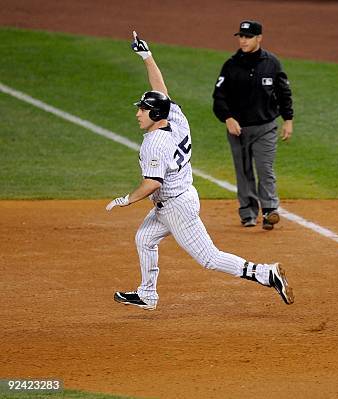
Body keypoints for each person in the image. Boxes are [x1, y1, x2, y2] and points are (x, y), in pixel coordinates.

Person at [106, 31, 294, 310]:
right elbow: (162, 93)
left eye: (143, 110)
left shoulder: (155, 144)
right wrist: (147, 57)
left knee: (209, 258)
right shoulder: (177, 119)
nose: (138, 113)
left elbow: (153, 183)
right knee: (144, 238)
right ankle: (147, 294)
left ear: (155, 115)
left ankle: (266, 273)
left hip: (175, 207)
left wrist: (127, 200)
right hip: (179, 197)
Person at [213, 20, 294, 230]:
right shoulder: (230, 65)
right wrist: (228, 118)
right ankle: (248, 213)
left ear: (259, 38)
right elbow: (219, 97)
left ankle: (269, 211)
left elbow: (284, 93)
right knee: (244, 171)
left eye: (247, 37)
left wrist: (288, 120)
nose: (243, 40)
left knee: (265, 169)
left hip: (265, 127)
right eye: (240, 36)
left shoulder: (272, 63)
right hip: (237, 129)